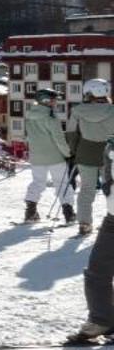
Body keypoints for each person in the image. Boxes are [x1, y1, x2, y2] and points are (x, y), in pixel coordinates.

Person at [70, 78, 114, 239]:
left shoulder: (77, 110)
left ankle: (84, 224)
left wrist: (73, 152)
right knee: (112, 189)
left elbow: (71, 133)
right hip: (109, 154)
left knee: (87, 190)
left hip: (85, 153)